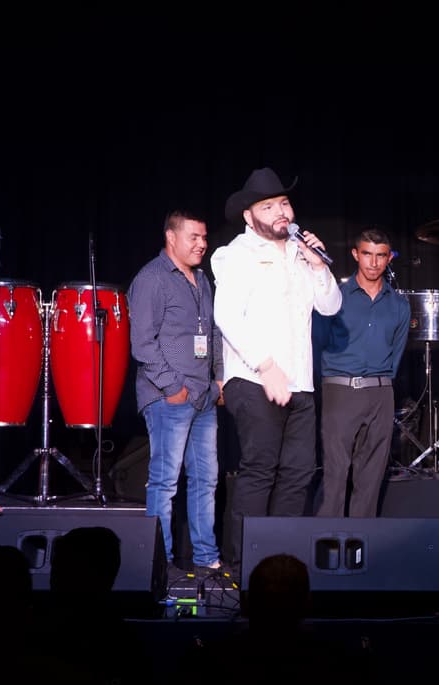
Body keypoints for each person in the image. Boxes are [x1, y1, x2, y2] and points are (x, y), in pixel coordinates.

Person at [212, 167, 342, 568]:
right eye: (268, 206)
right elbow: (227, 317)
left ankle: (280, 563)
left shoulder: (301, 253)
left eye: (284, 203)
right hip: (254, 379)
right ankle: (242, 568)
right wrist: (266, 367)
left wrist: (319, 266)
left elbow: (331, 306)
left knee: (299, 473)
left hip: (299, 383)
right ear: (250, 217)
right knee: (259, 471)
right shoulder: (234, 255)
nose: (280, 211)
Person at [128, 210, 224, 572]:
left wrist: (219, 378)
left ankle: (206, 556)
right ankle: (160, 562)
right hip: (170, 396)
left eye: (204, 237)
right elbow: (142, 344)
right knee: (166, 481)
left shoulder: (202, 279)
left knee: (206, 479)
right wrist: (174, 387)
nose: (202, 244)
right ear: (172, 237)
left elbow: (212, 333)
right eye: (194, 237)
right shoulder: (152, 278)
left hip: (203, 395)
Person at [314, 227, 410, 517]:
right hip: (341, 390)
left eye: (381, 256)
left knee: (370, 479)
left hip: (381, 392)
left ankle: (361, 550)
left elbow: (397, 353)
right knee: (335, 475)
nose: (373, 262)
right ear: (356, 255)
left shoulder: (399, 305)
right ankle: (326, 548)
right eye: (367, 254)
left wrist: (381, 385)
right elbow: (318, 343)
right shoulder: (335, 298)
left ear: (389, 258)